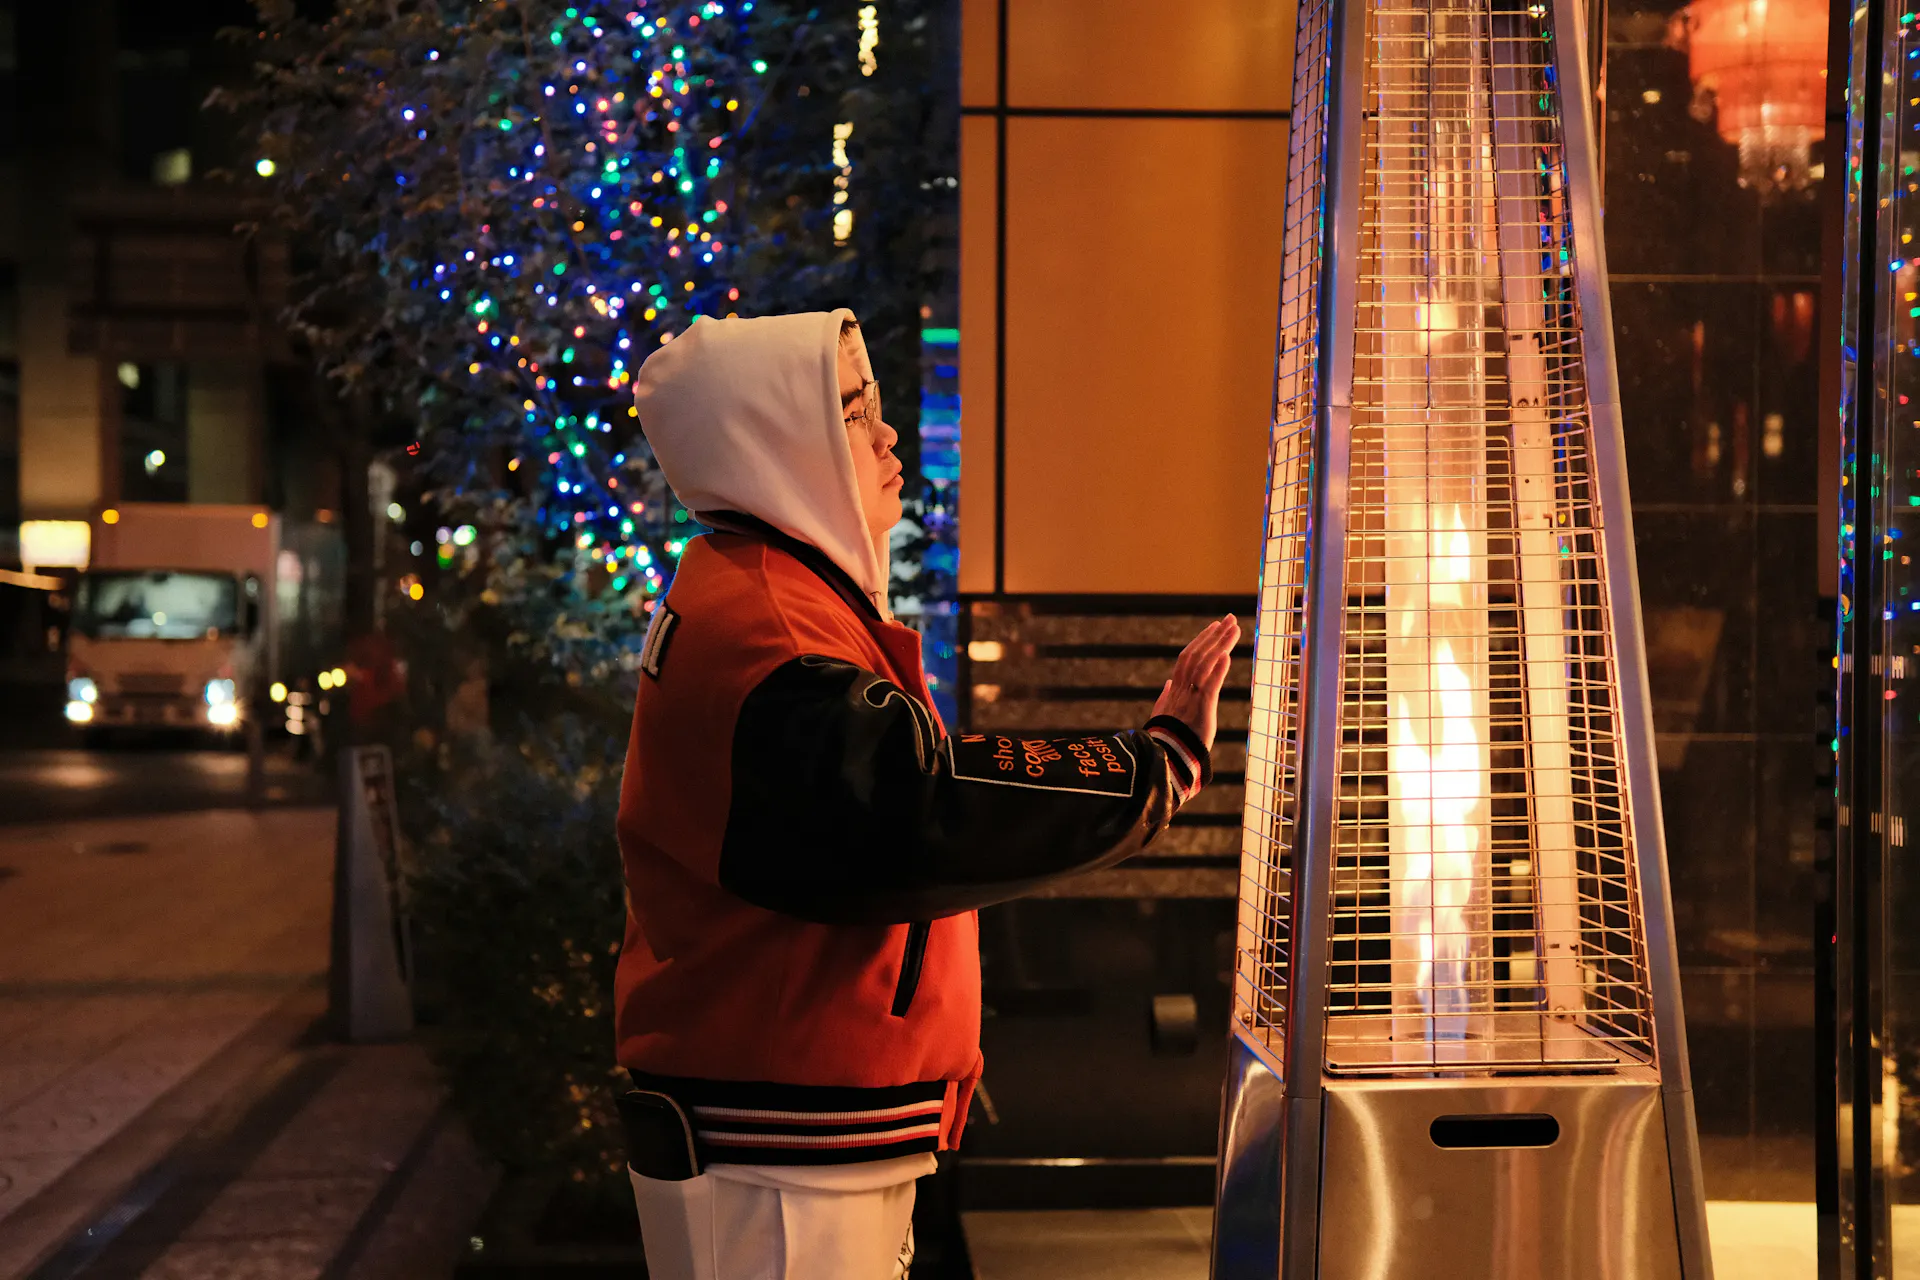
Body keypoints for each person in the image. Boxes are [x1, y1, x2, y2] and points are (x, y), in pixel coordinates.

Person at [615, 309, 1240, 1280]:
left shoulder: (766, 596)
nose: (888, 437)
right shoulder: (772, 630)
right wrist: (1152, 764)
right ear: (789, 447)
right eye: (856, 414)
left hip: (786, 1134)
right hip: (781, 1146)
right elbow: (924, 807)